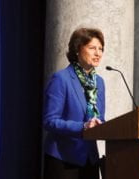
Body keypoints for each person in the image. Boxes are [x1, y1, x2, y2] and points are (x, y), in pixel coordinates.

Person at [43, 27, 105, 179]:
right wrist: (82, 127)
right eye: (92, 48)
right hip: (64, 159)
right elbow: (49, 121)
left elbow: (100, 118)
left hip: (90, 159)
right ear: (78, 49)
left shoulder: (100, 82)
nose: (98, 53)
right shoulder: (61, 79)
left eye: (101, 49)